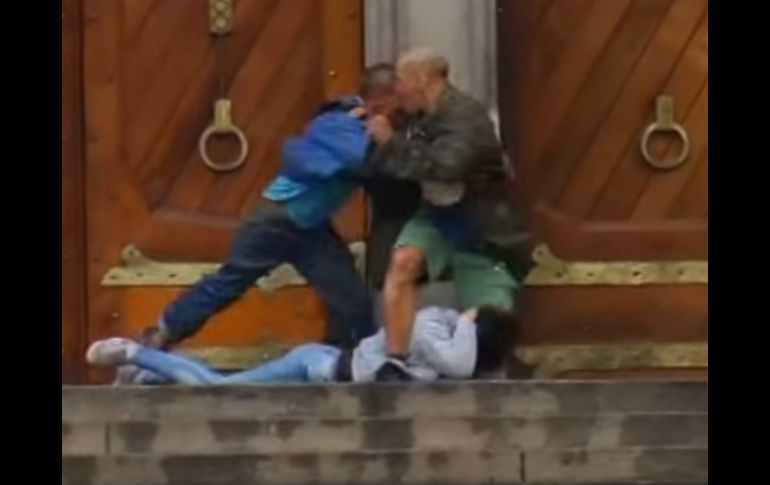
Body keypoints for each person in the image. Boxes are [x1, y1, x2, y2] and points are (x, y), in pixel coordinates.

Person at [115, 64, 400, 384]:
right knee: (228, 284)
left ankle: (342, 365)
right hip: (275, 220)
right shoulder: (338, 122)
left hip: (310, 228)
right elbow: (363, 160)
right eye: (398, 101)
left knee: (351, 299)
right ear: (381, 100)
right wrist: (386, 140)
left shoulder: (367, 124)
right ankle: (155, 342)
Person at [364, 48, 522, 381]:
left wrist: (391, 143)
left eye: (401, 81)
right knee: (403, 263)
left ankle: (495, 373)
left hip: (478, 222)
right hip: (435, 214)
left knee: (491, 312)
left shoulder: (466, 115)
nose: (397, 90)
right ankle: (396, 363)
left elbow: (446, 166)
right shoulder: (418, 115)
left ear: (423, 79)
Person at [87, 305, 515, 385]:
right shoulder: (432, 325)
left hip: (326, 365)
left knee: (227, 382)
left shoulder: (443, 351)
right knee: (218, 389)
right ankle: (134, 352)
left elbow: (460, 367)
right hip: (316, 366)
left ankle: (149, 374)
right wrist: (467, 321)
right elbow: (460, 365)